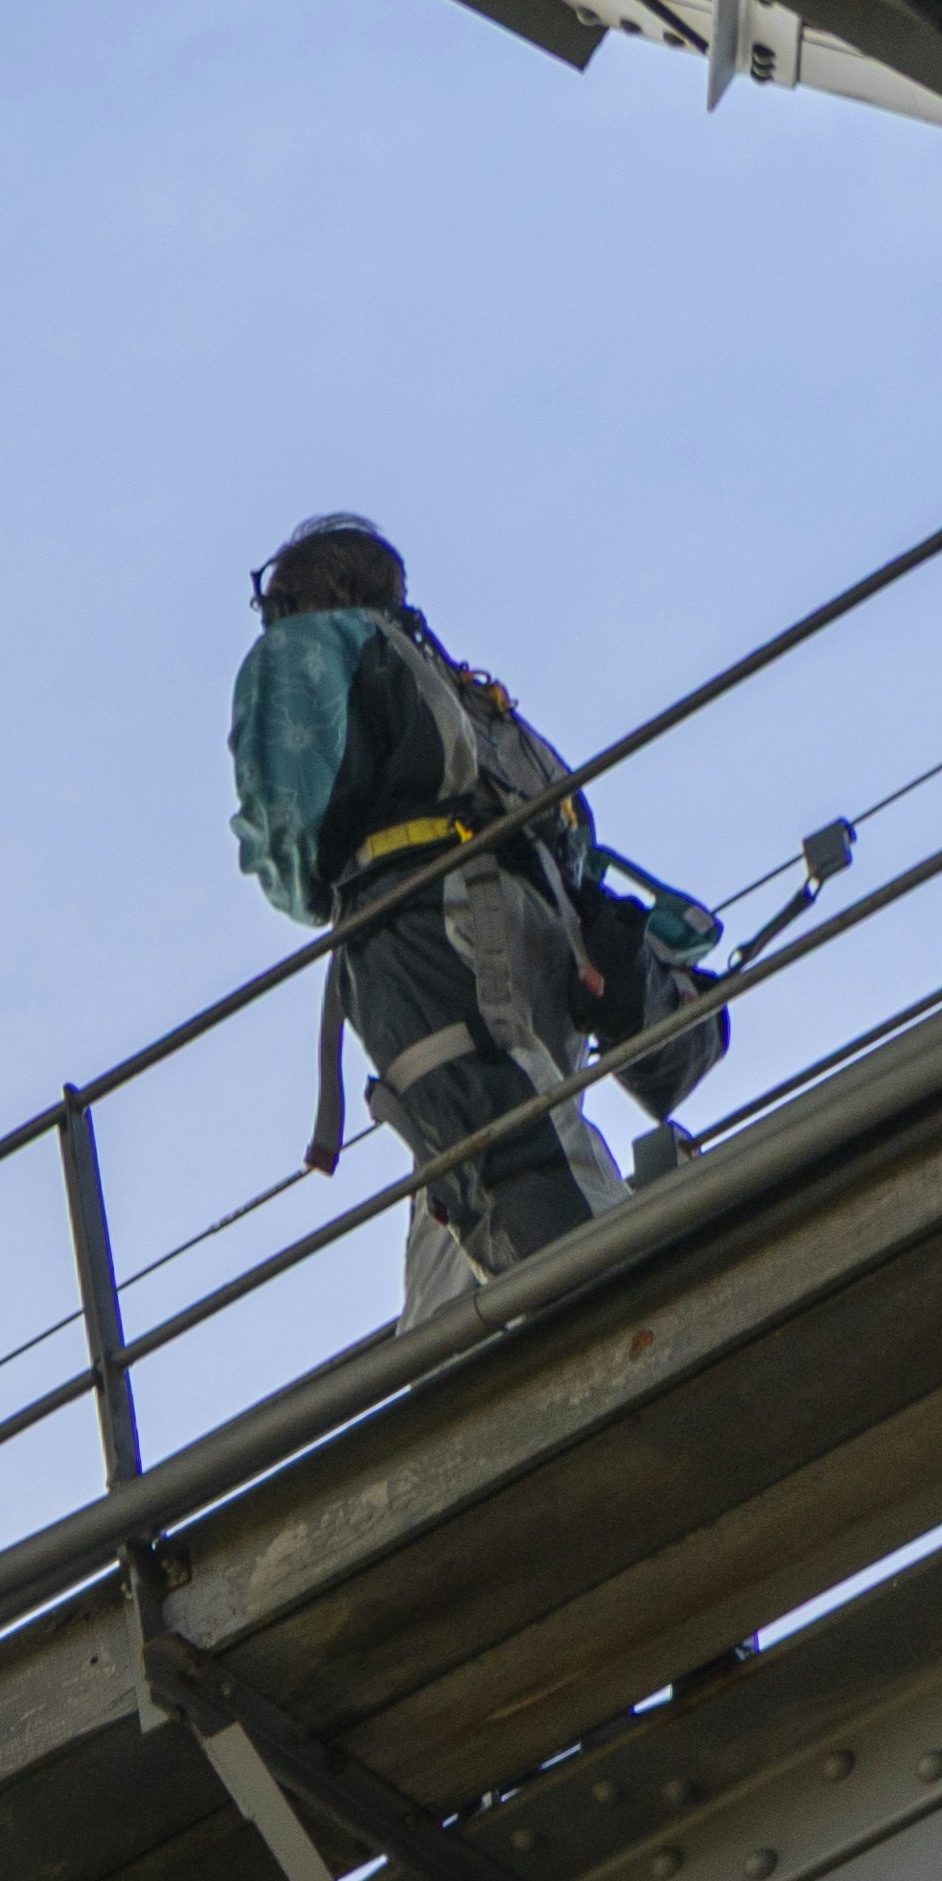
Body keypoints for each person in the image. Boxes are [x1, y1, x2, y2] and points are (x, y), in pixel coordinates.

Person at [228, 513, 718, 1307]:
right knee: (472, 1151)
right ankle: (449, 1362)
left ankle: (625, 1307)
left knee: (499, 1141)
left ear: (296, 597)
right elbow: (573, 837)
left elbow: (291, 844)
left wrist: (311, 879)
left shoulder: (311, 648)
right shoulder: (467, 695)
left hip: (429, 921)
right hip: (532, 926)